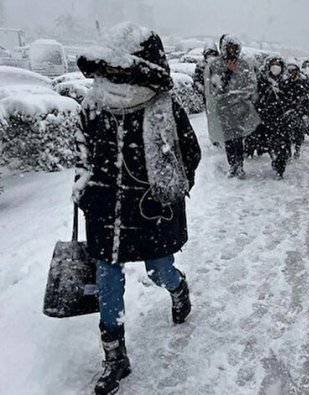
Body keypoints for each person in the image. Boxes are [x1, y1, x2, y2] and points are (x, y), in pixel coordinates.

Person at [73, 22, 201, 395]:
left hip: (150, 210)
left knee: (159, 270)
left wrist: (170, 189)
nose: (114, 75)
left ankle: (178, 289)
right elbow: (82, 154)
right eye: (109, 69)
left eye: (121, 68)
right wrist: (84, 190)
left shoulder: (164, 107)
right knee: (108, 280)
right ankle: (115, 357)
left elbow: (188, 154)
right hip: (105, 210)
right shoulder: (93, 105)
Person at [204, 34, 259, 178]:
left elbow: (251, 85)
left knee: (238, 137)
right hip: (223, 107)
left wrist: (241, 96)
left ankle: (239, 166)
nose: (231, 50)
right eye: (228, 47)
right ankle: (232, 165)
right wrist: (228, 73)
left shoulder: (244, 65)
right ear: (223, 48)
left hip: (240, 108)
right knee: (228, 137)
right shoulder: (215, 65)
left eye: (234, 47)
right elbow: (215, 87)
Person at [256, 56, 293, 178]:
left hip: (282, 119)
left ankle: (280, 168)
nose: (275, 67)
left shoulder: (286, 81)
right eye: (273, 64)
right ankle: (274, 158)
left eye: (278, 64)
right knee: (270, 143)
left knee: (281, 145)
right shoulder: (263, 80)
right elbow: (258, 98)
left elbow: (290, 99)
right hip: (266, 118)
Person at [283, 60, 309, 159]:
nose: (291, 73)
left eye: (293, 70)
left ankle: (297, 148)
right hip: (287, 111)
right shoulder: (284, 83)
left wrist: (302, 109)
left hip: (299, 111)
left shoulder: (302, 83)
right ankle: (287, 151)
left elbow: (306, 98)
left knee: (300, 129)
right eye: (289, 70)